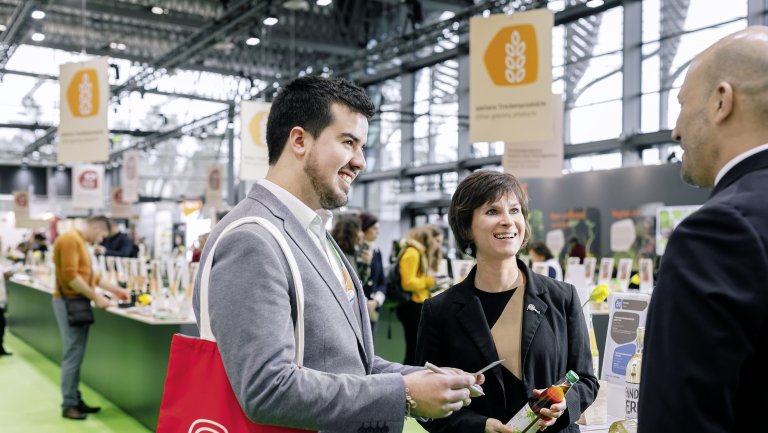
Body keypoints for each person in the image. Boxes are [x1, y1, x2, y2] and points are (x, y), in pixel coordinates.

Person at [192, 76, 479, 432]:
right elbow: (267, 389)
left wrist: (425, 379)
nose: (359, 162)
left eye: (362, 148)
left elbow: (350, 364)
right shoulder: (253, 239)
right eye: (348, 142)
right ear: (299, 141)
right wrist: (403, 392)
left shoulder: (312, 233)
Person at [638, 26, 768, 433]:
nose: (676, 130)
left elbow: (678, 419)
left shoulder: (719, 232)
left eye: (682, 104)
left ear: (721, 101)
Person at [416, 170, 598, 433]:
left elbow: (586, 380)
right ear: (467, 227)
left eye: (515, 210)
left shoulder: (562, 297)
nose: (507, 221)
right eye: (492, 211)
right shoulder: (439, 311)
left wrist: (564, 405)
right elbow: (429, 407)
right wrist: (480, 427)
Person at [52, 216, 130, 420]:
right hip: (69, 303)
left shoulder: (78, 241)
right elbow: (71, 276)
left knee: (76, 352)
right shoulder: (70, 239)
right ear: (96, 227)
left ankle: (75, 399)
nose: (100, 240)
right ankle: (69, 404)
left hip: (76, 303)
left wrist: (115, 290)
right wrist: (97, 297)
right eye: (102, 235)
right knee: (73, 354)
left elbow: (89, 276)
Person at [395, 224, 442, 366]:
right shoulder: (412, 253)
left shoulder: (420, 253)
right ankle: (410, 382)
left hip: (417, 303)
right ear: (429, 238)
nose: (439, 245)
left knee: (417, 348)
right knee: (413, 349)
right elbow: (408, 283)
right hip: (411, 306)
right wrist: (428, 281)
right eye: (437, 241)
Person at [359, 212, 386, 333]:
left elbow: (382, 281)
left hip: (373, 308)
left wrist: (376, 301)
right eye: (374, 228)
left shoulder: (376, 251)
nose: (378, 232)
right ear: (364, 229)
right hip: (357, 308)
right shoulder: (352, 251)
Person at [331, 214, 370, 285]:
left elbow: (358, 283)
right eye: (359, 230)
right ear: (351, 233)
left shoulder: (351, 254)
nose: (362, 234)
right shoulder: (341, 256)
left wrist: (366, 265)